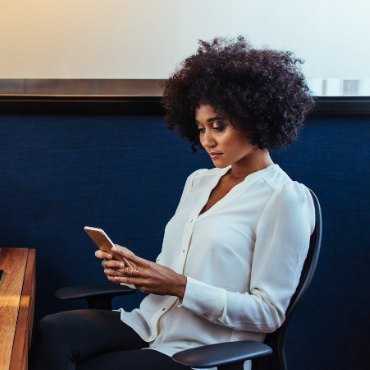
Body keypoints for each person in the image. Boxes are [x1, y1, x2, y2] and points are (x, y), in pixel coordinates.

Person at [28, 36, 316, 370]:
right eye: (200, 128)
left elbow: (268, 313)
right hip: (150, 323)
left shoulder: (285, 199)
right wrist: (135, 270)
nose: (206, 140)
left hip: (204, 348)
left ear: (256, 116)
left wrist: (180, 286)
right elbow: (174, 267)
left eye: (218, 126)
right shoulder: (199, 181)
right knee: (54, 330)